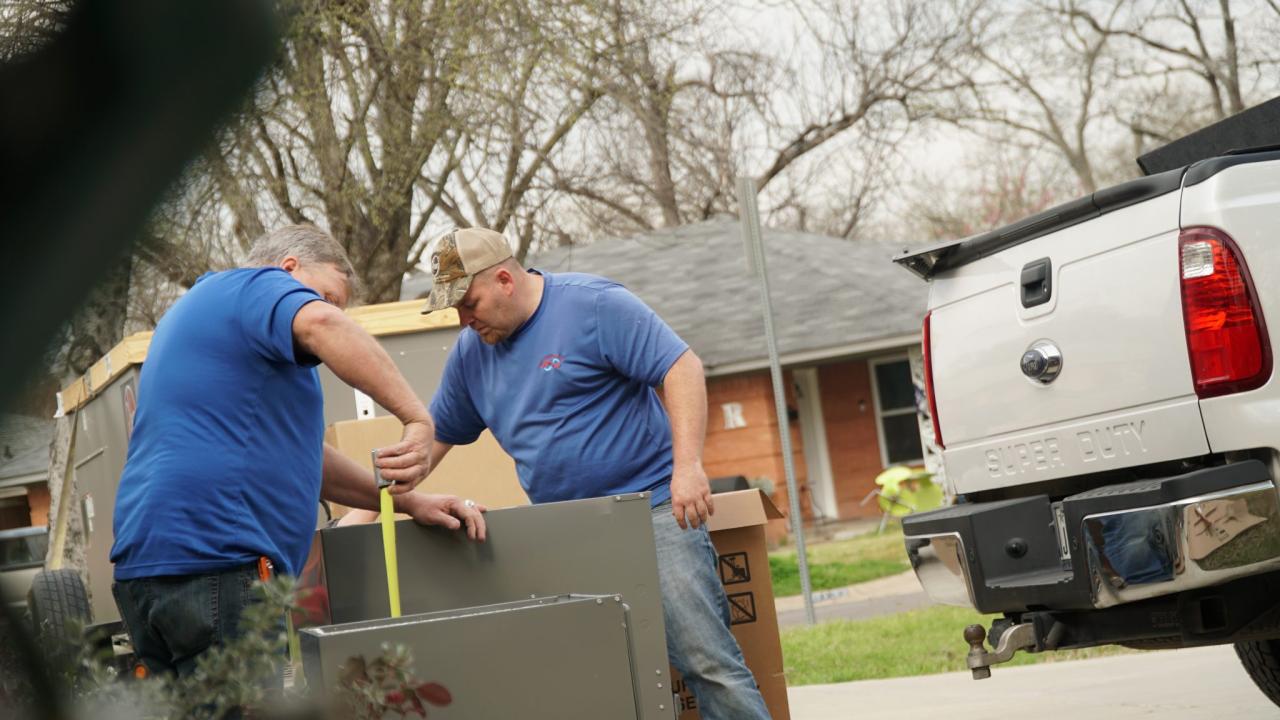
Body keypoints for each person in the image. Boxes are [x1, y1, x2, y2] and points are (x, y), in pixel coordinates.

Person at [416, 227, 771, 719]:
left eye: (468, 302)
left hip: (653, 513)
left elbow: (681, 367)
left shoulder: (594, 305)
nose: (463, 318)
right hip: (565, 532)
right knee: (595, 678)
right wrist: (368, 506)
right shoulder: (469, 355)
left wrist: (688, 466)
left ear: (503, 279)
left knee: (706, 663)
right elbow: (433, 439)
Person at [109, 224, 487, 678]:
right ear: (289, 268)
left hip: (150, 569)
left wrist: (409, 502)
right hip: (217, 563)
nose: (327, 312)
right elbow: (323, 323)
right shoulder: (254, 286)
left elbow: (308, 460)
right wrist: (418, 419)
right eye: (326, 296)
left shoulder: (211, 322)